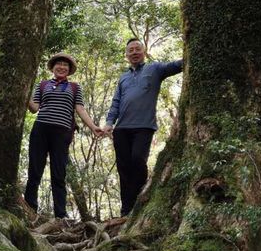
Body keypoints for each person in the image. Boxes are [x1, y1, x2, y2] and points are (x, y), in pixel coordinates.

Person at [103, 38, 183, 216]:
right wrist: (109, 123)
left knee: (138, 160)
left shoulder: (154, 69)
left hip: (144, 126)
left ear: (144, 51)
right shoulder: (123, 78)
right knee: (123, 168)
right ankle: (126, 210)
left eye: (137, 49)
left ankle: (139, 205)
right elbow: (116, 102)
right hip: (122, 128)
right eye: (130, 50)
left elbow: (176, 65)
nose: (134, 52)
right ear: (126, 55)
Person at [24, 52, 102, 220]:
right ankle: (30, 209)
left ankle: (61, 214)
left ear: (69, 69)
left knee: (59, 174)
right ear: (53, 67)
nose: (62, 67)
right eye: (58, 64)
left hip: (62, 133)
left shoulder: (74, 87)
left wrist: (94, 127)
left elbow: (80, 109)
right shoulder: (43, 84)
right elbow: (34, 108)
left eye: (65, 65)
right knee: (35, 170)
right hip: (40, 130)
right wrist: (23, 92)